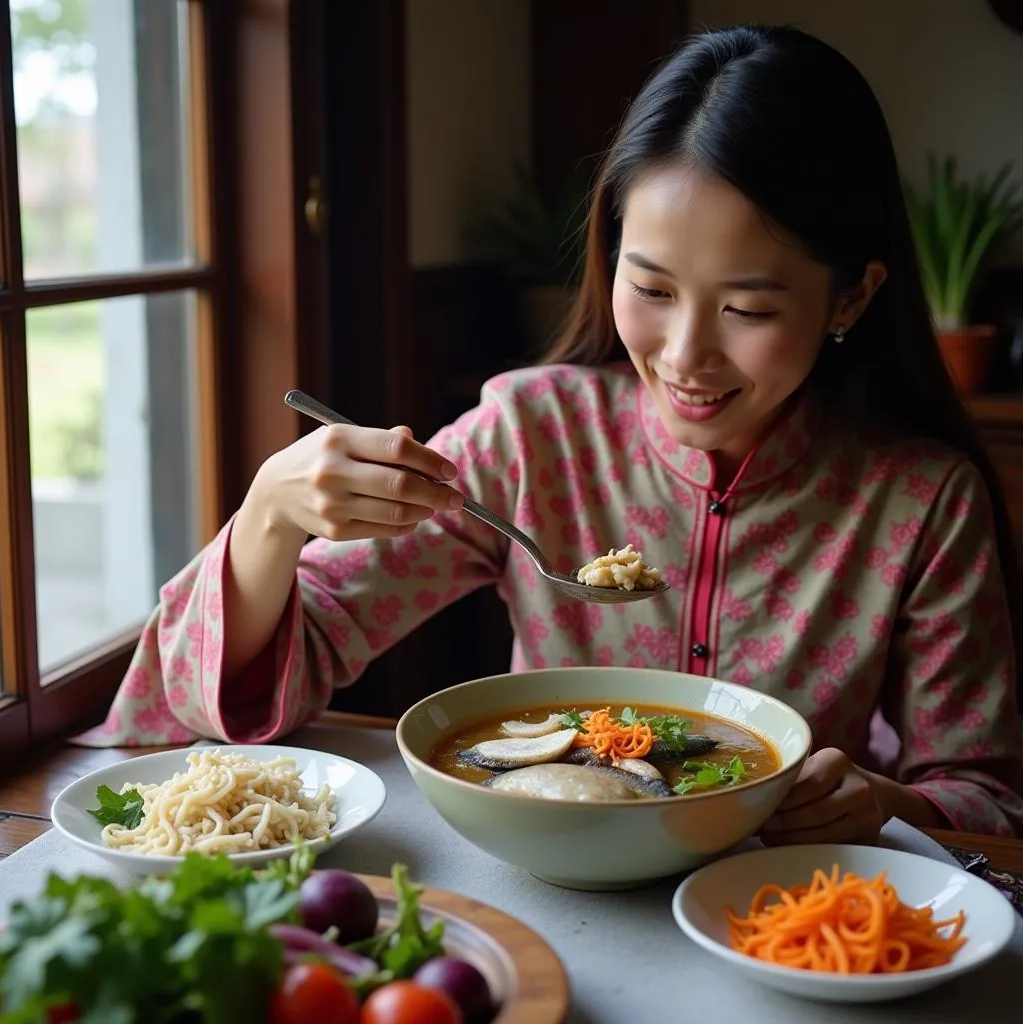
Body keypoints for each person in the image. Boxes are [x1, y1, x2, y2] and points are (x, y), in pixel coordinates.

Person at [78, 23, 1023, 841]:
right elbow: (277, 665)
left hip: (780, 908)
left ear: (850, 295)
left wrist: (883, 801)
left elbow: (985, 794)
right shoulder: (534, 435)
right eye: (650, 289)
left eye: (747, 306)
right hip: (543, 886)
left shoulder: (922, 498)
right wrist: (272, 519)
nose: (686, 354)